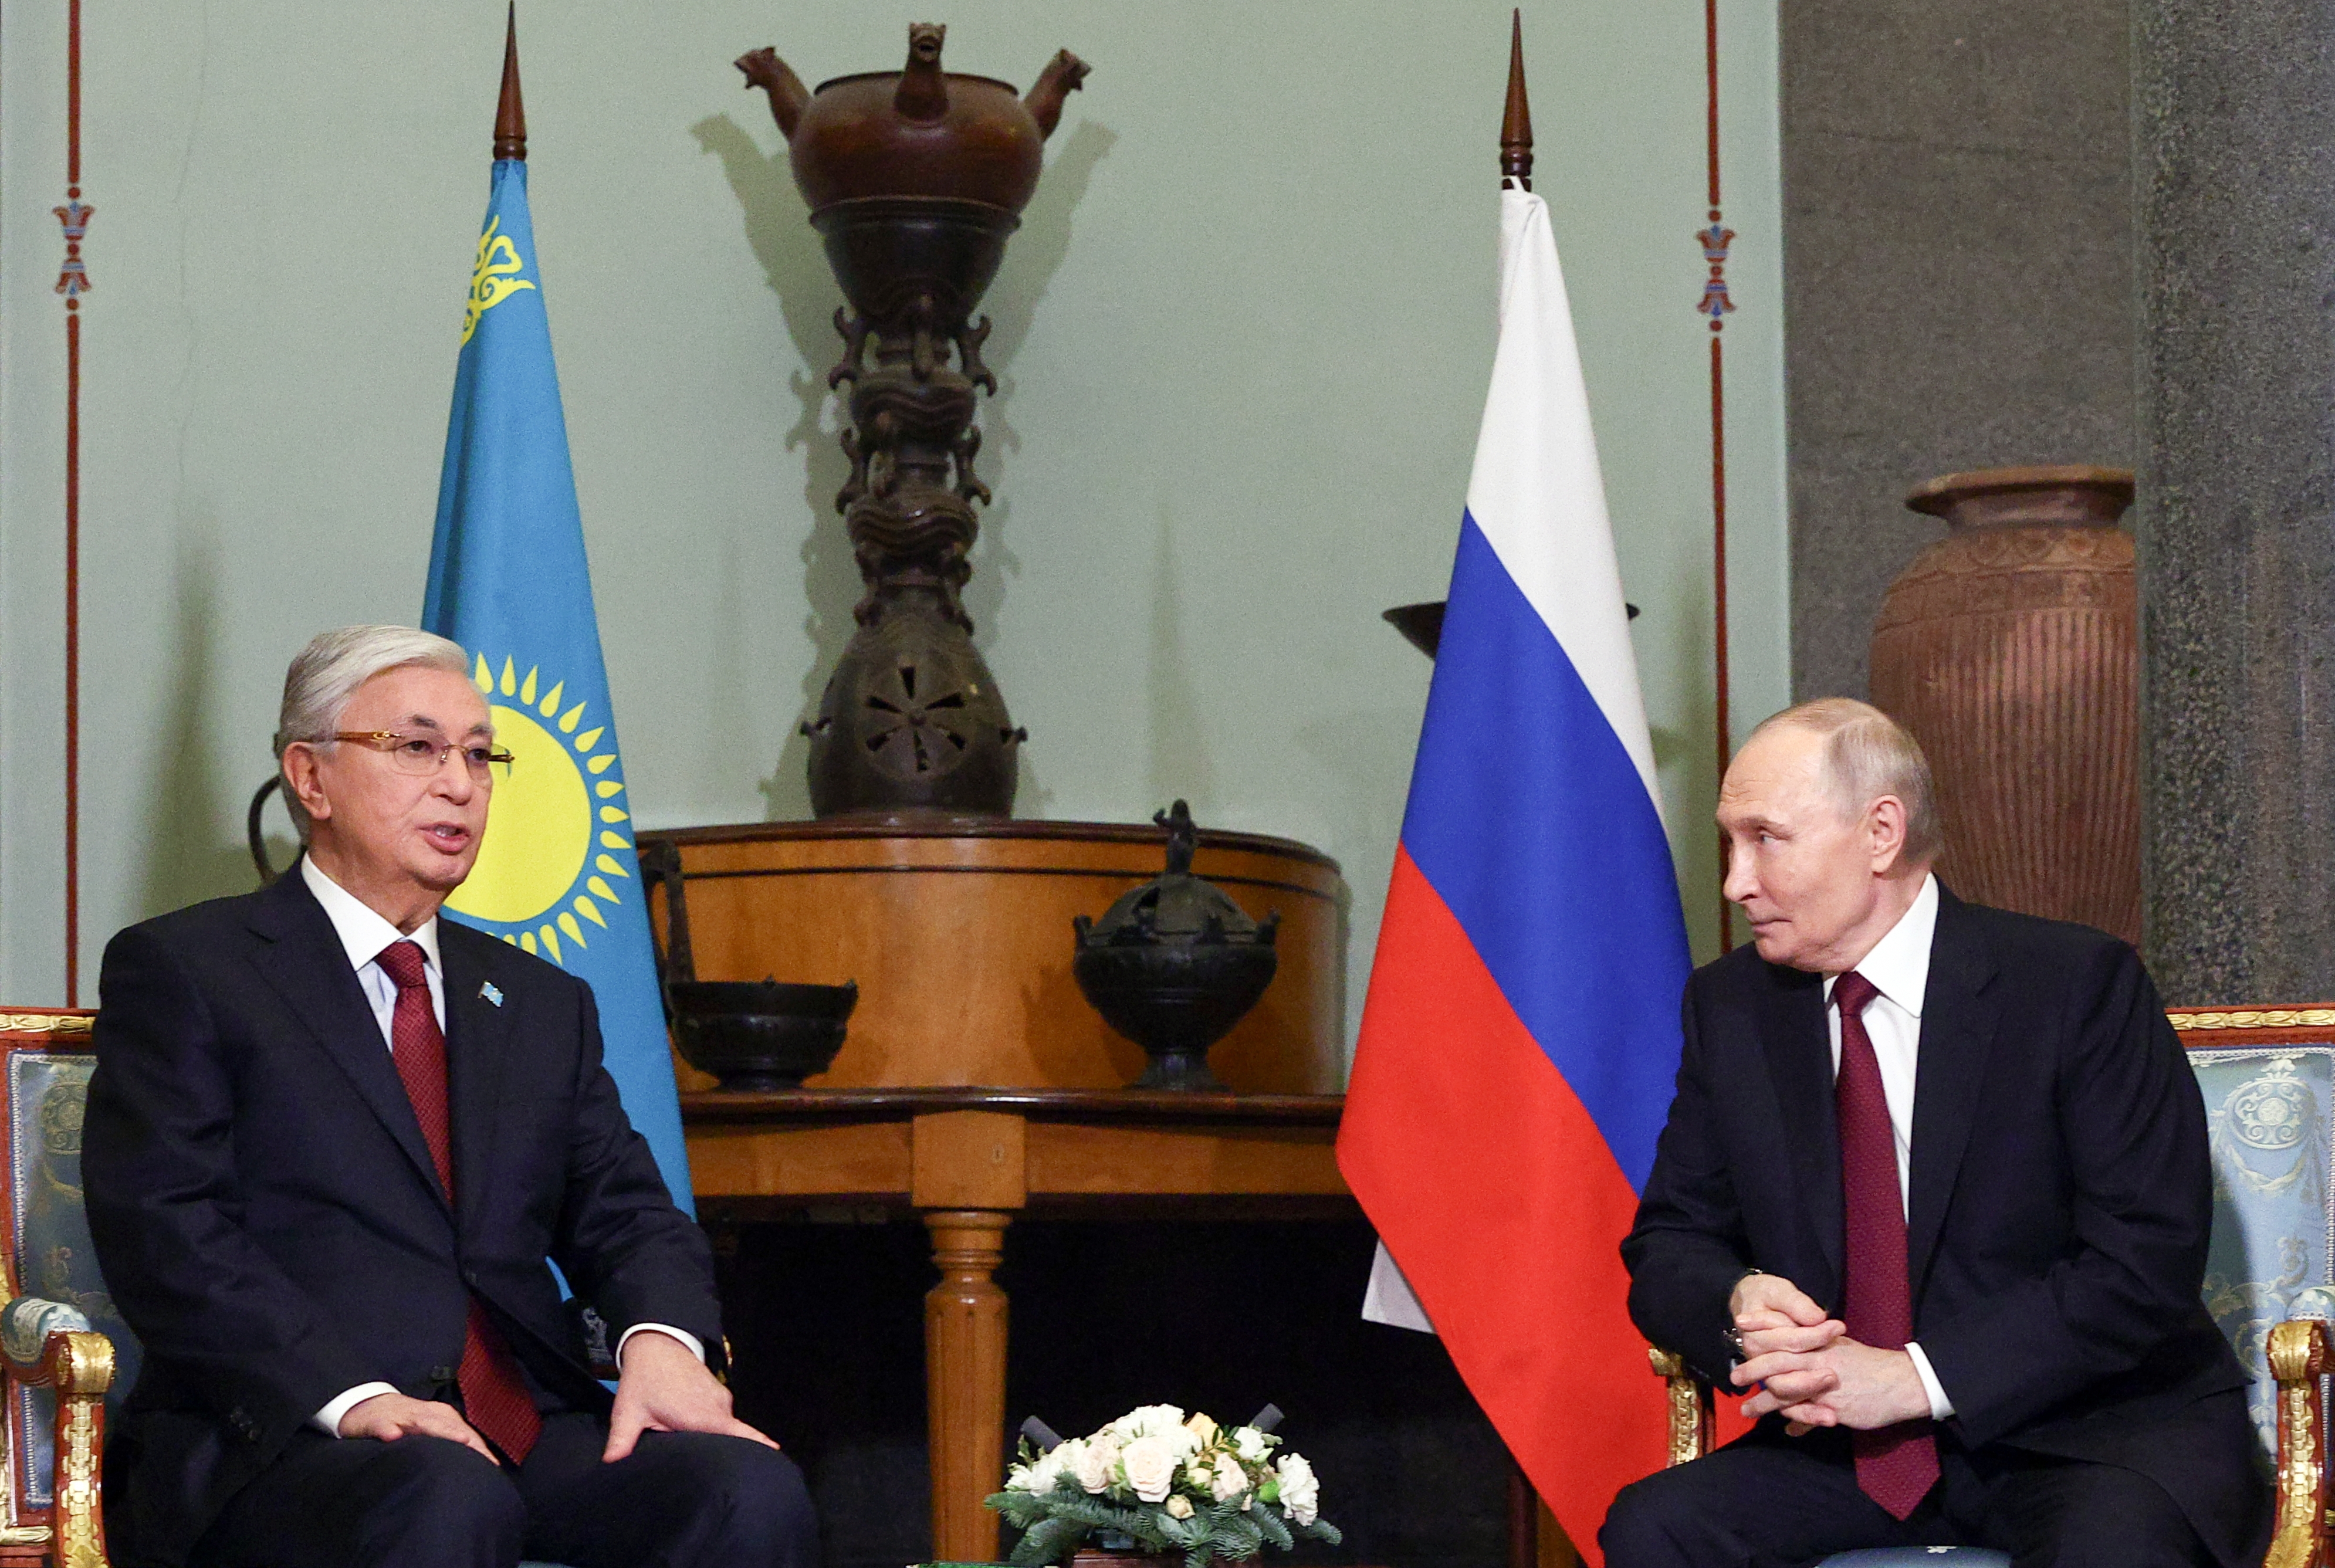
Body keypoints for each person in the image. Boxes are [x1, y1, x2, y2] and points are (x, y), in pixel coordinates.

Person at [83, 626, 817, 1568]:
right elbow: (168, 1231)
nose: (461, 784)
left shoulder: (539, 1003)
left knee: (746, 1489)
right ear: (311, 777)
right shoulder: (191, 969)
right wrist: (356, 1398)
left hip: (518, 1425)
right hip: (289, 1436)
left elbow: (629, 1212)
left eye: (479, 754)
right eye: (419, 747)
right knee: (446, 1497)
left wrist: (663, 1339)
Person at [1603, 699, 2270, 1568]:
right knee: (1655, 1527)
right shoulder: (1732, 1007)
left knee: (2111, 1549)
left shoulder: (2074, 985)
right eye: (1731, 843)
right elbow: (1669, 1241)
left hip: (2091, 1432)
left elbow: (2143, 1263)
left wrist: (1913, 1377)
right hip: (1847, 1449)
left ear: (1881, 833)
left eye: (1766, 838)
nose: (1736, 882)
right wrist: (1739, 1302)